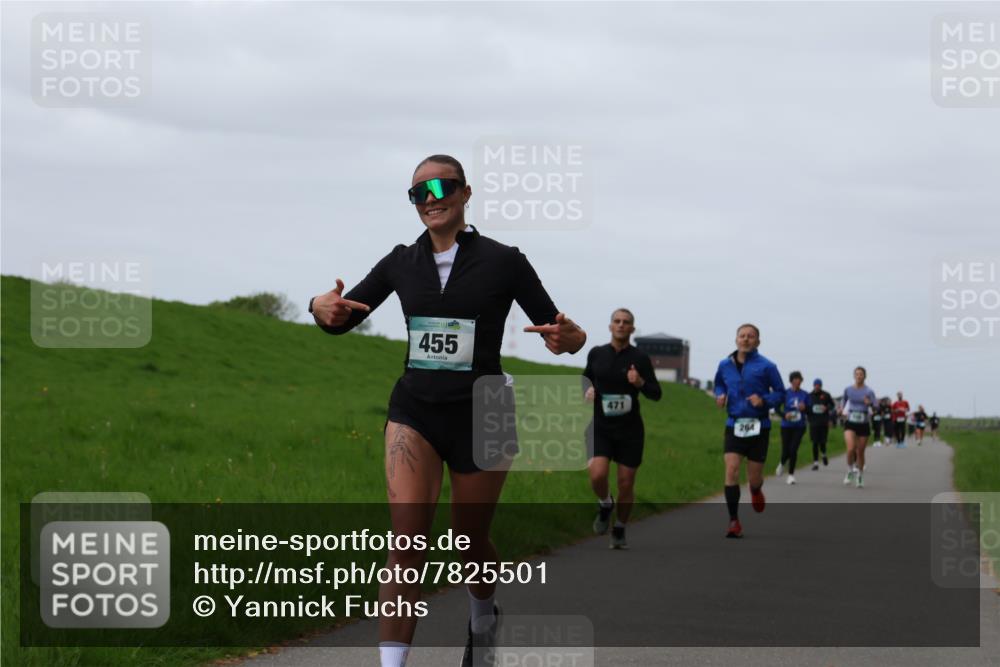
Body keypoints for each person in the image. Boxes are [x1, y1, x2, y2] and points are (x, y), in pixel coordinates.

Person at [309, 155, 587, 667]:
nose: (431, 197)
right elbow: (342, 318)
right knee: (407, 542)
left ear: (465, 193)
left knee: (469, 540)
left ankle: (483, 617)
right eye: (419, 192)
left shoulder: (505, 260)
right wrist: (318, 308)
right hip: (414, 410)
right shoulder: (400, 261)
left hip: (487, 410)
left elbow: (560, 330)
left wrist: (572, 338)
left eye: (443, 186)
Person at [583, 308, 662, 549]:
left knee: (626, 483)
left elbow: (656, 394)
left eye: (625, 322)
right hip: (601, 426)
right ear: (610, 326)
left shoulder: (640, 358)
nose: (620, 325)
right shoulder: (596, 354)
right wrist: (586, 390)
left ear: (632, 329)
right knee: (597, 474)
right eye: (616, 321)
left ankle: (619, 529)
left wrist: (640, 383)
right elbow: (584, 380)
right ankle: (606, 503)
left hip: (629, 430)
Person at [713, 324, 786, 538]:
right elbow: (719, 384)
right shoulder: (724, 364)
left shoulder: (767, 366)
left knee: (754, 478)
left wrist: (764, 400)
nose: (746, 339)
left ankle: (755, 490)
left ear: (758, 342)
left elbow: (781, 394)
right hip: (734, 424)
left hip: (758, 426)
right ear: (736, 339)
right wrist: (720, 395)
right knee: (732, 470)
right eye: (742, 336)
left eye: (751, 336)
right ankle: (733, 521)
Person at [841, 367, 877, 488]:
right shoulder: (848, 389)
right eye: (857, 374)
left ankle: (860, 476)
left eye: (861, 374)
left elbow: (876, 408)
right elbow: (843, 401)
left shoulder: (869, 391)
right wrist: (841, 409)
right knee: (850, 449)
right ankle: (850, 470)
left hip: (864, 423)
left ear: (864, 376)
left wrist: (870, 404)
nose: (859, 376)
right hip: (850, 422)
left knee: (860, 452)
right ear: (854, 376)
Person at [776, 371, 809, 484]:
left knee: (793, 449)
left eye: (799, 379)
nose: (797, 381)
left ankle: (791, 475)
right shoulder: (785, 393)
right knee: (786, 450)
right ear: (791, 381)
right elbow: (776, 408)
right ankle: (781, 463)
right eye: (795, 379)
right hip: (786, 426)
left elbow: (810, 410)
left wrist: (804, 408)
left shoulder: (805, 394)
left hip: (799, 426)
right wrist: (784, 415)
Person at [806, 378, 835, 470]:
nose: (817, 386)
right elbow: (806, 408)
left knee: (822, 442)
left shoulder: (826, 395)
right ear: (813, 386)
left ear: (821, 386)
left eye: (819, 385)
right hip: (813, 422)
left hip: (823, 422)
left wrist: (826, 407)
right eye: (815, 385)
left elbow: (832, 405)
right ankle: (815, 463)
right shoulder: (809, 396)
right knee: (814, 443)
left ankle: (823, 455)